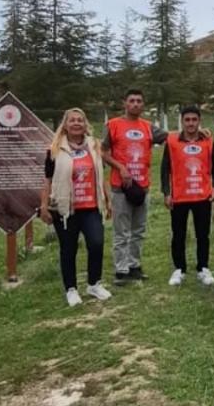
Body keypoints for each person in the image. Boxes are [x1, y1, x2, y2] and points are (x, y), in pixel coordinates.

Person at [39, 108, 114, 307]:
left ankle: (94, 284)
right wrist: (44, 206)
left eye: (80, 120)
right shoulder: (54, 150)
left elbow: (101, 175)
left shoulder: (94, 146)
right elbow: (47, 180)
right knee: (68, 249)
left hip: (91, 206)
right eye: (72, 120)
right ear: (65, 125)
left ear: (85, 124)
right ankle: (71, 289)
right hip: (65, 209)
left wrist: (108, 200)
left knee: (96, 243)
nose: (76, 123)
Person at [102, 89, 167, 284]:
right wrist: (120, 167)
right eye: (132, 101)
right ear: (125, 103)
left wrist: (197, 132)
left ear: (143, 104)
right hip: (120, 187)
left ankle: (134, 266)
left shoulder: (148, 127)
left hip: (142, 186)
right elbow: (103, 152)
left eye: (139, 101)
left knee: (138, 230)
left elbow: (170, 137)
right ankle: (121, 271)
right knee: (122, 232)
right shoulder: (113, 125)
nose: (136, 104)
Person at [161, 105, 214, 287]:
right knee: (178, 234)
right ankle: (179, 269)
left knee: (203, 234)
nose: (191, 123)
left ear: (199, 121)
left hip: (202, 195)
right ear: (182, 121)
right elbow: (164, 169)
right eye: (187, 120)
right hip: (179, 196)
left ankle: (203, 268)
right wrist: (166, 192)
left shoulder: (208, 141)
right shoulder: (172, 141)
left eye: (194, 120)